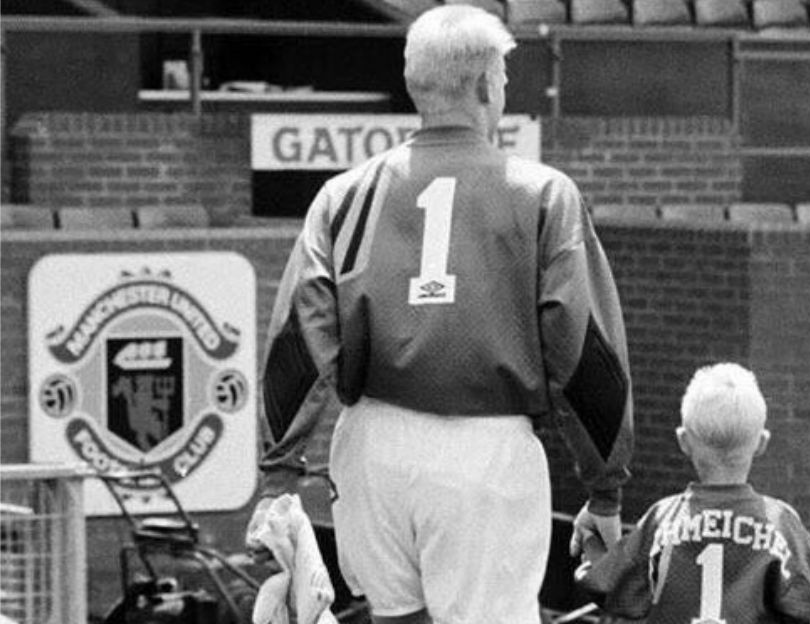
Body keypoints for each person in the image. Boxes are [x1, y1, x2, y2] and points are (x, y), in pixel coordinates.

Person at [248, 6, 634, 624]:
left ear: (413, 84)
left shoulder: (342, 195)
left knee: (395, 618)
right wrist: (605, 490)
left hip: (372, 444)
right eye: (504, 76)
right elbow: (585, 351)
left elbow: (298, 342)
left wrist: (278, 478)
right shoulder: (544, 193)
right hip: (485, 451)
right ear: (486, 84)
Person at [576, 363, 810, 624]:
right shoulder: (780, 523)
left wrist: (589, 541)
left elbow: (610, 586)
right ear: (761, 443)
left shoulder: (662, 519)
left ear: (683, 442)